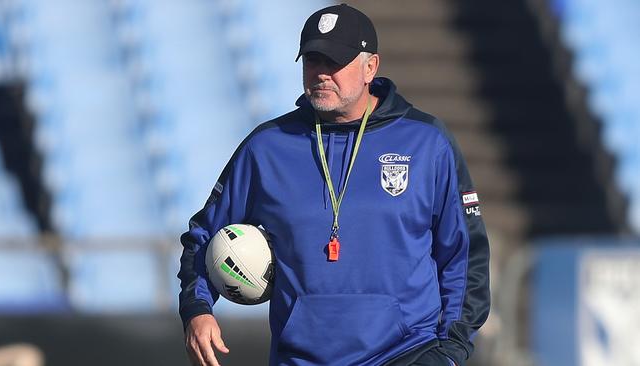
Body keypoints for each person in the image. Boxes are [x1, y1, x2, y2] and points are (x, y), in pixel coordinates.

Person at [178, 4, 490, 366]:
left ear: (371, 66)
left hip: (406, 354)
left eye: (335, 61)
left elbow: (465, 254)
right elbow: (203, 236)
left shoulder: (427, 142)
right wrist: (197, 308)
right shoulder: (267, 148)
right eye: (312, 60)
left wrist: (451, 351)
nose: (322, 73)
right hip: (301, 358)